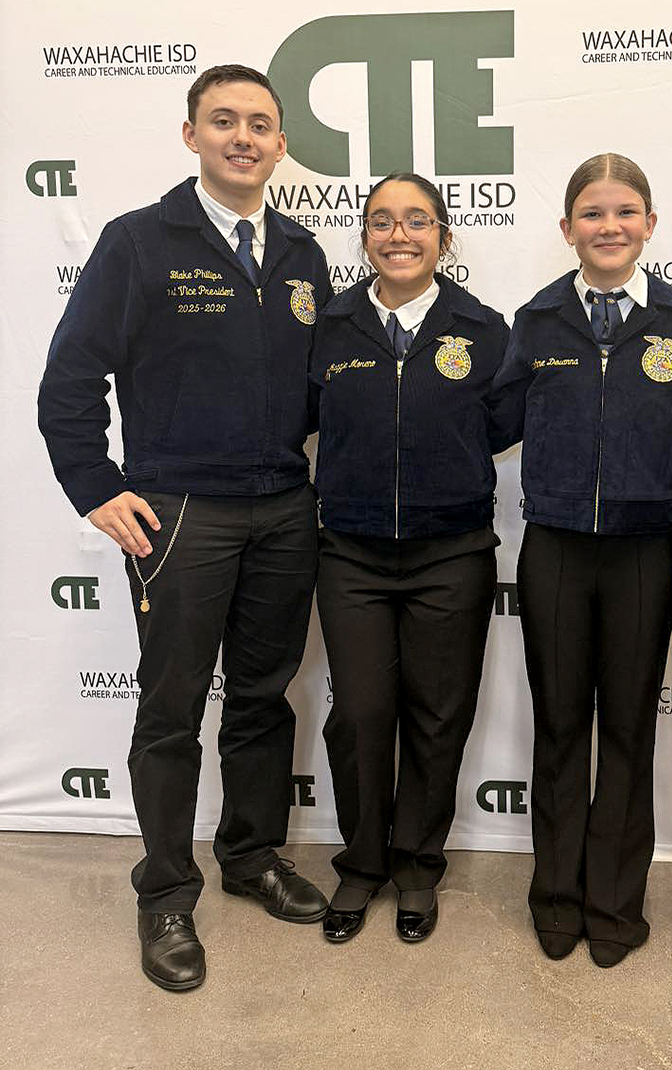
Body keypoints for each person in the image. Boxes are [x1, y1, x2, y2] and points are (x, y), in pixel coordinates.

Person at [38, 64, 332, 992]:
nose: (244, 137)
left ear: (281, 145)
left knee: (262, 698)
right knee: (170, 712)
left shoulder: (302, 253)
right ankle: (166, 892)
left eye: (260, 124)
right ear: (191, 135)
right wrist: (95, 484)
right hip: (180, 515)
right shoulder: (138, 241)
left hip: (283, 507)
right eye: (224, 121)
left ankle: (250, 857)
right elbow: (71, 377)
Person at [490, 154, 672, 967]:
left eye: (623, 212)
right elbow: (491, 424)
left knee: (626, 729)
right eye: (591, 212)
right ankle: (556, 897)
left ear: (649, 224)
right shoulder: (537, 320)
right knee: (558, 726)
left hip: (643, 554)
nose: (608, 226)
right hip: (553, 549)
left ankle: (614, 904)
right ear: (567, 228)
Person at [311, 173, 509, 945]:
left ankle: (418, 867)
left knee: (437, 714)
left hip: (451, 553)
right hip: (351, 553)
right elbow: (300, 417)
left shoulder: (483, 329)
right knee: (360, 715)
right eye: (382, 221)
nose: (399, 235)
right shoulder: (329, 325)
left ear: (444, 238)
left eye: (417, 221)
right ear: (364, 237)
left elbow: (499, 425)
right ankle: (362, 864)